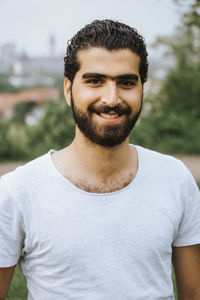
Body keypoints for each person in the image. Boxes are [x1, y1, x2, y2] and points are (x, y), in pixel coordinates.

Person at [0, 19, 200, 300]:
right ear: (68, 90)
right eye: (95, 81)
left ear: (143, 89)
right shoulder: (16, 191)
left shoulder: (176, 179)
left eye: (126, 83)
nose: (111, 98)